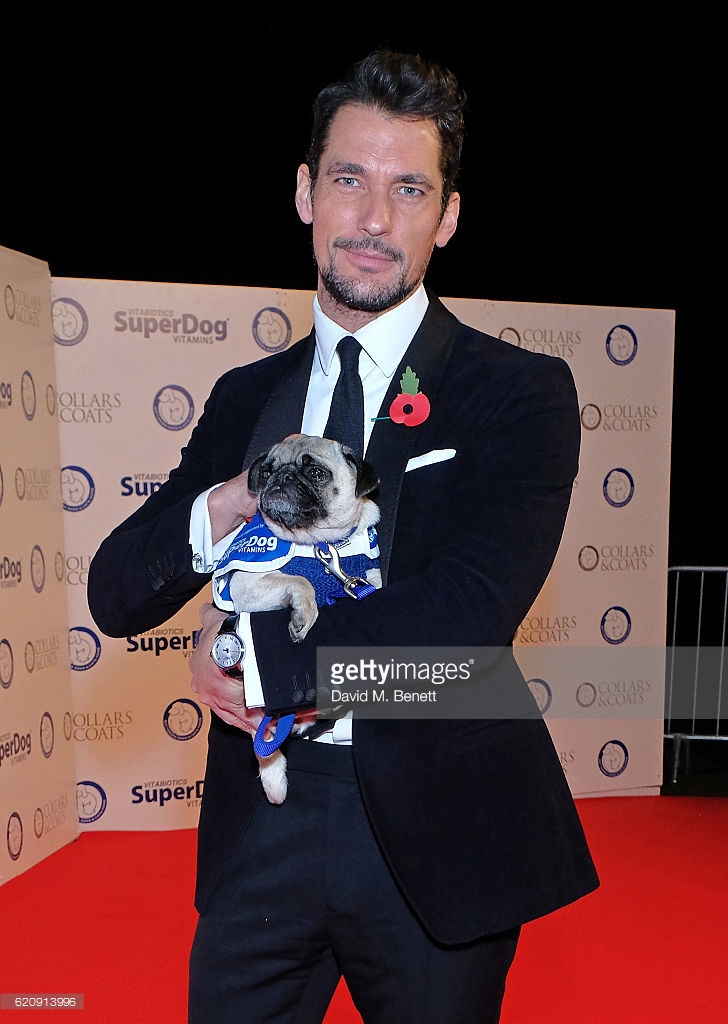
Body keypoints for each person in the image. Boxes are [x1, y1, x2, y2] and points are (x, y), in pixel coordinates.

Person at [87, 49, 599, 1024]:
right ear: (304, 193)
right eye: (349, 180)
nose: (373, 219)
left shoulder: (517, 392)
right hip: (263, 821)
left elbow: (466, 617)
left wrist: (254, 658)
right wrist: (230, 499)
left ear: (447, 215)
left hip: (436, 826)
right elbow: (117, 593)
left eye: (408, 189)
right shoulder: (247, 396)